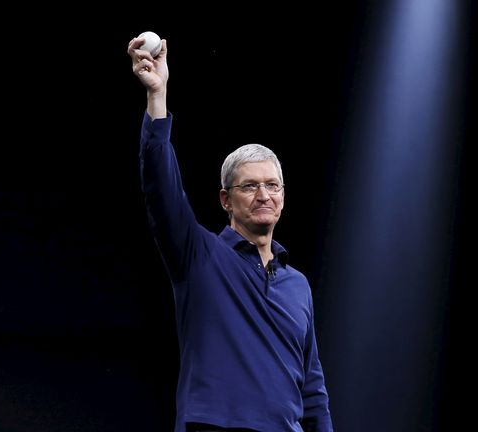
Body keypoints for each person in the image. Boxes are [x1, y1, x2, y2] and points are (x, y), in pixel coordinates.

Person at [127, 34, 333, 432]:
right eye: (250, 186)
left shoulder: (298, 285)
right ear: (225, 199)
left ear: (284, 197)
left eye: (273, 185)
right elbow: (159, 184)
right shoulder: (199, 255)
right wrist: (158, 95)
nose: (263, 195)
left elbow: (312, 388)